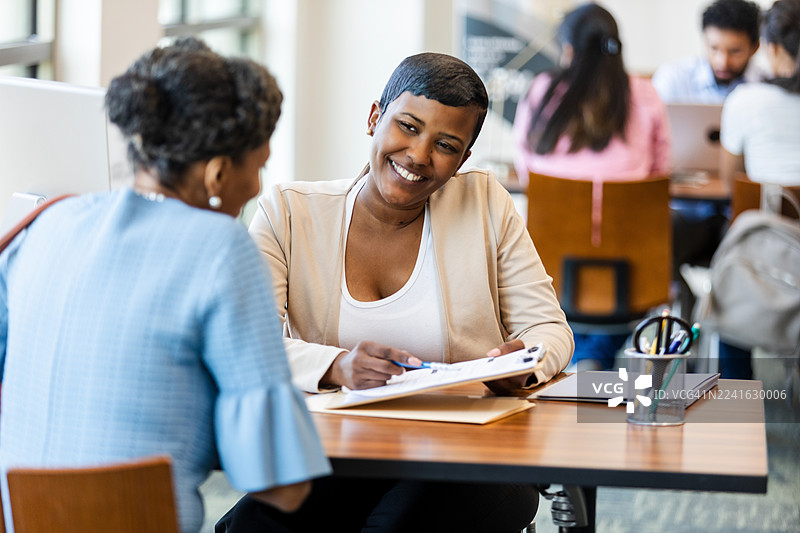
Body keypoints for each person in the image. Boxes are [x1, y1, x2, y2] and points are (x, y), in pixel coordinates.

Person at [217, 52, 573, 533]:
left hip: (475, 447)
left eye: (445, 144)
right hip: (349, 446)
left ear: (464, 158)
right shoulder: (289, 213)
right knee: (254, 527)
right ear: (373, 118)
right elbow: (245, 344)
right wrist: (338, 366)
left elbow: (549, 329)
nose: (419, 155)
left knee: (395, 528)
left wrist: (524, 364)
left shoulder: (486, 202)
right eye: (407, 126)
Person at [0, 37, 331, 533]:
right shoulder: (221, 247)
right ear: (218, 172)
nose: (260, 185)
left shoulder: (44, 223)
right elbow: (279, 481)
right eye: (259, 166)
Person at [512, 2, 671, 371]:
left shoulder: (542, 92)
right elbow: (662, 172)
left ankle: (582, 358)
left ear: (567, 50)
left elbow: (525, 169)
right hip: (633, 274)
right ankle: (595, 357)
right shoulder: (646, 95)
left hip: (548, 271)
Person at [716, 0, 800, 379]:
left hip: (770, 253)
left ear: (774, 49)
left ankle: (735, 400)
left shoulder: (745, 101)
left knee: (736, 266)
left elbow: (729, 178)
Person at [652, 0, 764, 104]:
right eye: (714, 48)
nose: (722, 62)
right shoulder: (673, 79)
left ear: (754, 48)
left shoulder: (766, 86)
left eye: (735, 51)